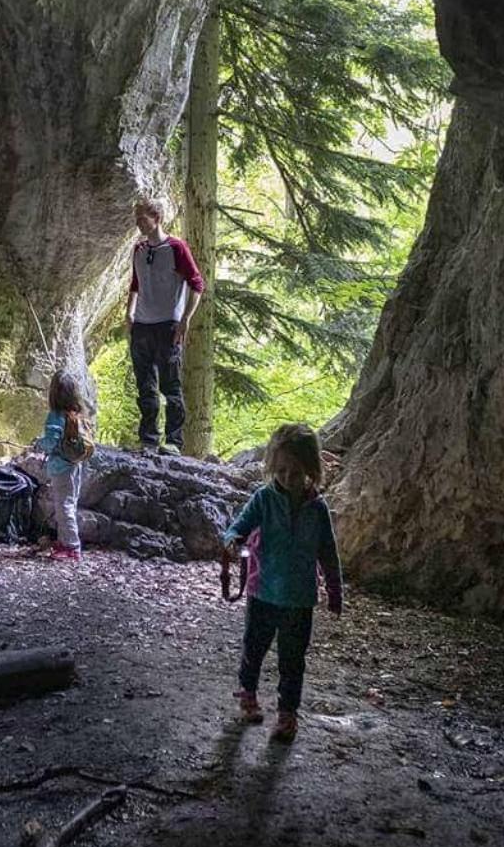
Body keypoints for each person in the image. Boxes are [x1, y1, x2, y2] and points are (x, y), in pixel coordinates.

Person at [219, 423, 343, 742]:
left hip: (300, 600)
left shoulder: (318, 509)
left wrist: (334, 590)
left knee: (292, 661)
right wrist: (233, 540)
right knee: (253, 650)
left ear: (310, 470)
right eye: (282, 470)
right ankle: (248, 693)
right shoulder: (263, 498)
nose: (288, 477)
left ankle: (287, 715)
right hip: (262, 593)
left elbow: (328, 553)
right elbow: (239, 526)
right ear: (273, 467)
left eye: (297, 471)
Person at [126, 196, 206, 455]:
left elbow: (197, 284)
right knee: (145, 385)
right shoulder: (138, 250)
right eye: (137, 218)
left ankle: (173, 441)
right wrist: (129, 313)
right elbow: (135, 284)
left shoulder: (176, 247)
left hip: (168, 325)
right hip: (141, 325)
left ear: (157, 218)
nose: (139, 223)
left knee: (170, 386)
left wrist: (185, 320)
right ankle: (148, 438)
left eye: (143, 218)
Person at [37, 370, 93, 563]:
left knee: (64, 506)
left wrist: (39, 444)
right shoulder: (75, 414)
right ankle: (64, 541)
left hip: (61, 468)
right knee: (69, 503)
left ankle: (72, 547)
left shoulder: (55, 416)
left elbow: (51, 443)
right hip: (75, 466)